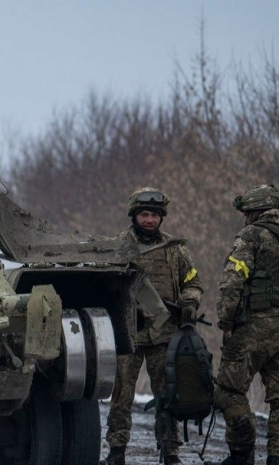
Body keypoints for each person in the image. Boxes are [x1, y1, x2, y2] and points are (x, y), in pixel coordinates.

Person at [207, 185, 279, 465]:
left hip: (253, 327)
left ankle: (242, 452)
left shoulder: (251, 235)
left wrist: (226, 320)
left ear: (254, 211)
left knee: (229, 390)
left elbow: (232, 281)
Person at [103, 187, 203, 465]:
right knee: (121, 395)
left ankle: (170, 452)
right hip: (128, 333)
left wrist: (189, 303)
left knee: (168, 394)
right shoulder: (118, 247)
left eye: (154, 215)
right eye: (144, 214)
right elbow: (103, 284)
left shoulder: (175, 250)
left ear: (162, 217)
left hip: (164, 333)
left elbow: (193, 282)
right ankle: (116, 451)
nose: (149, 220)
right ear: (134, 215)